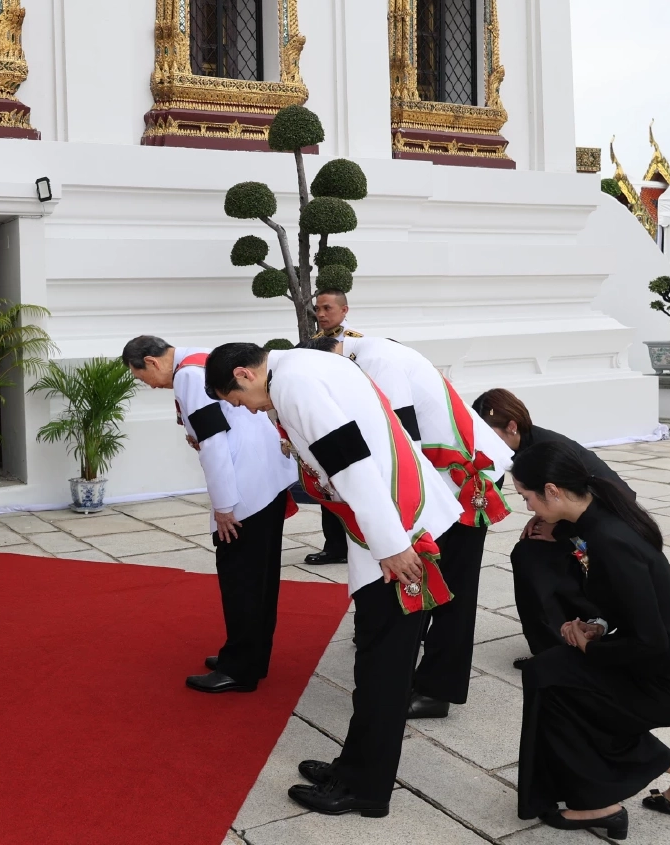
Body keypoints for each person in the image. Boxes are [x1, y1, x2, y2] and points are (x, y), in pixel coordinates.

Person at [205, 342, 460, 818]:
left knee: (380, 670)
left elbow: (350, 461)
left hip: (396, 532)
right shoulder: (298, 365)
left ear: (244, 373)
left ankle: (365, 788)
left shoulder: (296, 383)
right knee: (374, 663)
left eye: (239, 399)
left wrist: (391, 544)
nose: (248, 410)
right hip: (393, 519)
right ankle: (353, 765)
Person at [511, 440, 670, 837]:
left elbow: (651, 641)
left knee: (564, 692)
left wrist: (590, 644)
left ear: (553, 490)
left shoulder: (609, 539)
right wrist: (598, 626)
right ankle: (628, 792)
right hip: (661, 657)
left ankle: (622, 796)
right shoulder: (593, 521)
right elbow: (631, 606)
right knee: (547, 672)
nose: (527, 507)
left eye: (526, 496)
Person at [320, 336, 513, 720]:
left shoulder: (379, 362)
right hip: (442, 478)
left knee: (453, 590)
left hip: (462, 481)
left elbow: (401, 443)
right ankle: (414, 670)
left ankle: (438, 689)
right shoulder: (369, 356)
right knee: (435, 580)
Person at [122, 336, 297, 693]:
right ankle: (252, 656)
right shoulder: (203, 358)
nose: (147, 385)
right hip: (267, 479)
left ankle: (239, 667)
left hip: (246, 490)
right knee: (261, 579)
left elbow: (214, 444)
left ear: (152, 362)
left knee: (242, 581)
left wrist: (223, 508)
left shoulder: (188, 376)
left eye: (141, 377)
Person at [472, 388, 632, 664]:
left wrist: (557, 529)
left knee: (536, 560)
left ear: (512, 427)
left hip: (604, 527)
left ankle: (571, 643)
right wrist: (544, 519)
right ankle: (554, 648)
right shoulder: (525, 446)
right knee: (529, 554)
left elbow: (591, 500)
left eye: (489, 435)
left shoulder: (543, 450)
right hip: (578, 525)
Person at [304, 291, 365, 567]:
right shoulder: (310, 344)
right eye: (318, 309)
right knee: (327, 484)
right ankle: (335, 545)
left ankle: (361, 539)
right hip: (321, 421)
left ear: (344, 310)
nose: (321, 314)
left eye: (327, 308)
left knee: (354, 484)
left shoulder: (358, 344)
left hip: (351, 422)